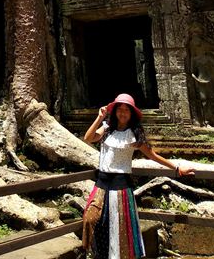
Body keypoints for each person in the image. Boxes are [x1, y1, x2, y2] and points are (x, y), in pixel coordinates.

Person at [82, 93, 195, 259]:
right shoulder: (106, 128)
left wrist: (177, 168)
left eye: (126, 110)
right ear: (114, 112)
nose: (122, 113)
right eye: (119, 109)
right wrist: (100, 117)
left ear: (131, 114)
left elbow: (153, 156)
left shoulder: (133, 135)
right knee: (91, 219)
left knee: (119, 229)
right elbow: (88, 138)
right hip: (101, 184)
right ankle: (99, 254)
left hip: (120, 187)